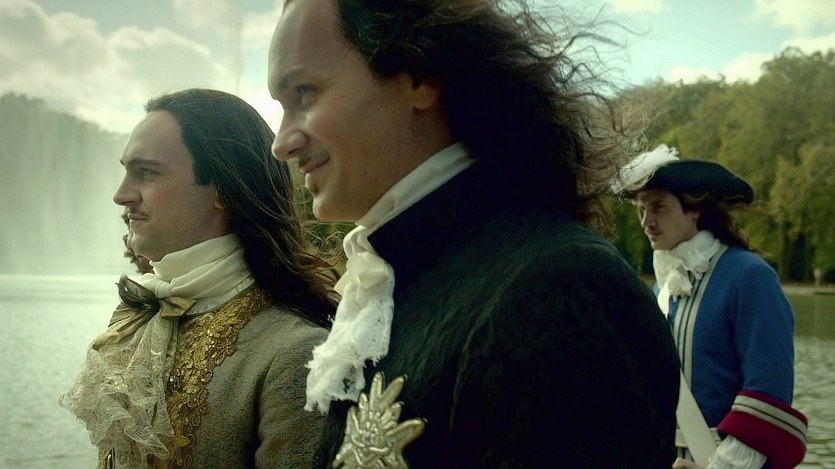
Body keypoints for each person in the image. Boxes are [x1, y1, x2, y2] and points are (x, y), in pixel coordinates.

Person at [267, 1, 680, 467]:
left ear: (418, 76)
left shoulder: (563, 289)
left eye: (304, 93)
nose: (282, 143)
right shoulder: (398, 288)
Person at [60, 88, 337, 468]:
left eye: (146, 172)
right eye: (125, 171)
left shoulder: (296, 353)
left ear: (222, 187)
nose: (121, 195)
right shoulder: (141, 322)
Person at [614, 144, 808, 469]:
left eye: (658, 207)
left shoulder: (750, 277)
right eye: (641, 210)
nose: (647, 221)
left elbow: (768, 391)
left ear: (694, 210)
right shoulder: (663, 288)